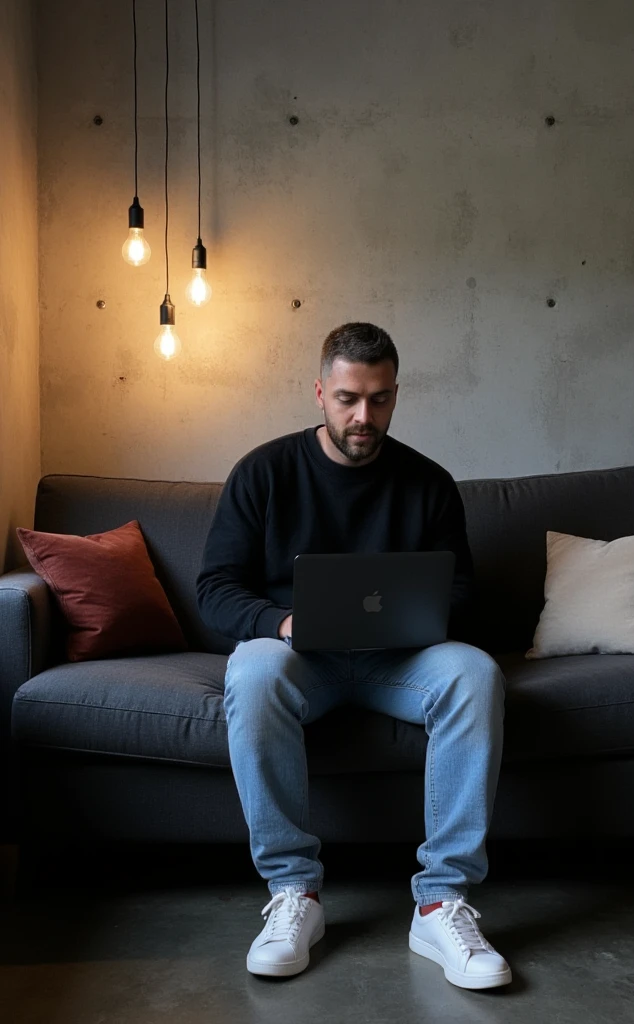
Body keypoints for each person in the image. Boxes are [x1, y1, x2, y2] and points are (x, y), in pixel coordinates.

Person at [197, 322, 511, 990]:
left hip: (397, 661)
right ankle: (294, 894)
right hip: (298, 659)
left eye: (379, 399)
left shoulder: (428, 482)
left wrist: (420, 618)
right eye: (347, 398)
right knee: (251, 670)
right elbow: (215, 589)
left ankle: (440, 901)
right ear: (319, 392)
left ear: (396, 396)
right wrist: (280, 623)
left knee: (475, 671)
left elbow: (460, 588)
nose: (363, 417)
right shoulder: (263, 472)